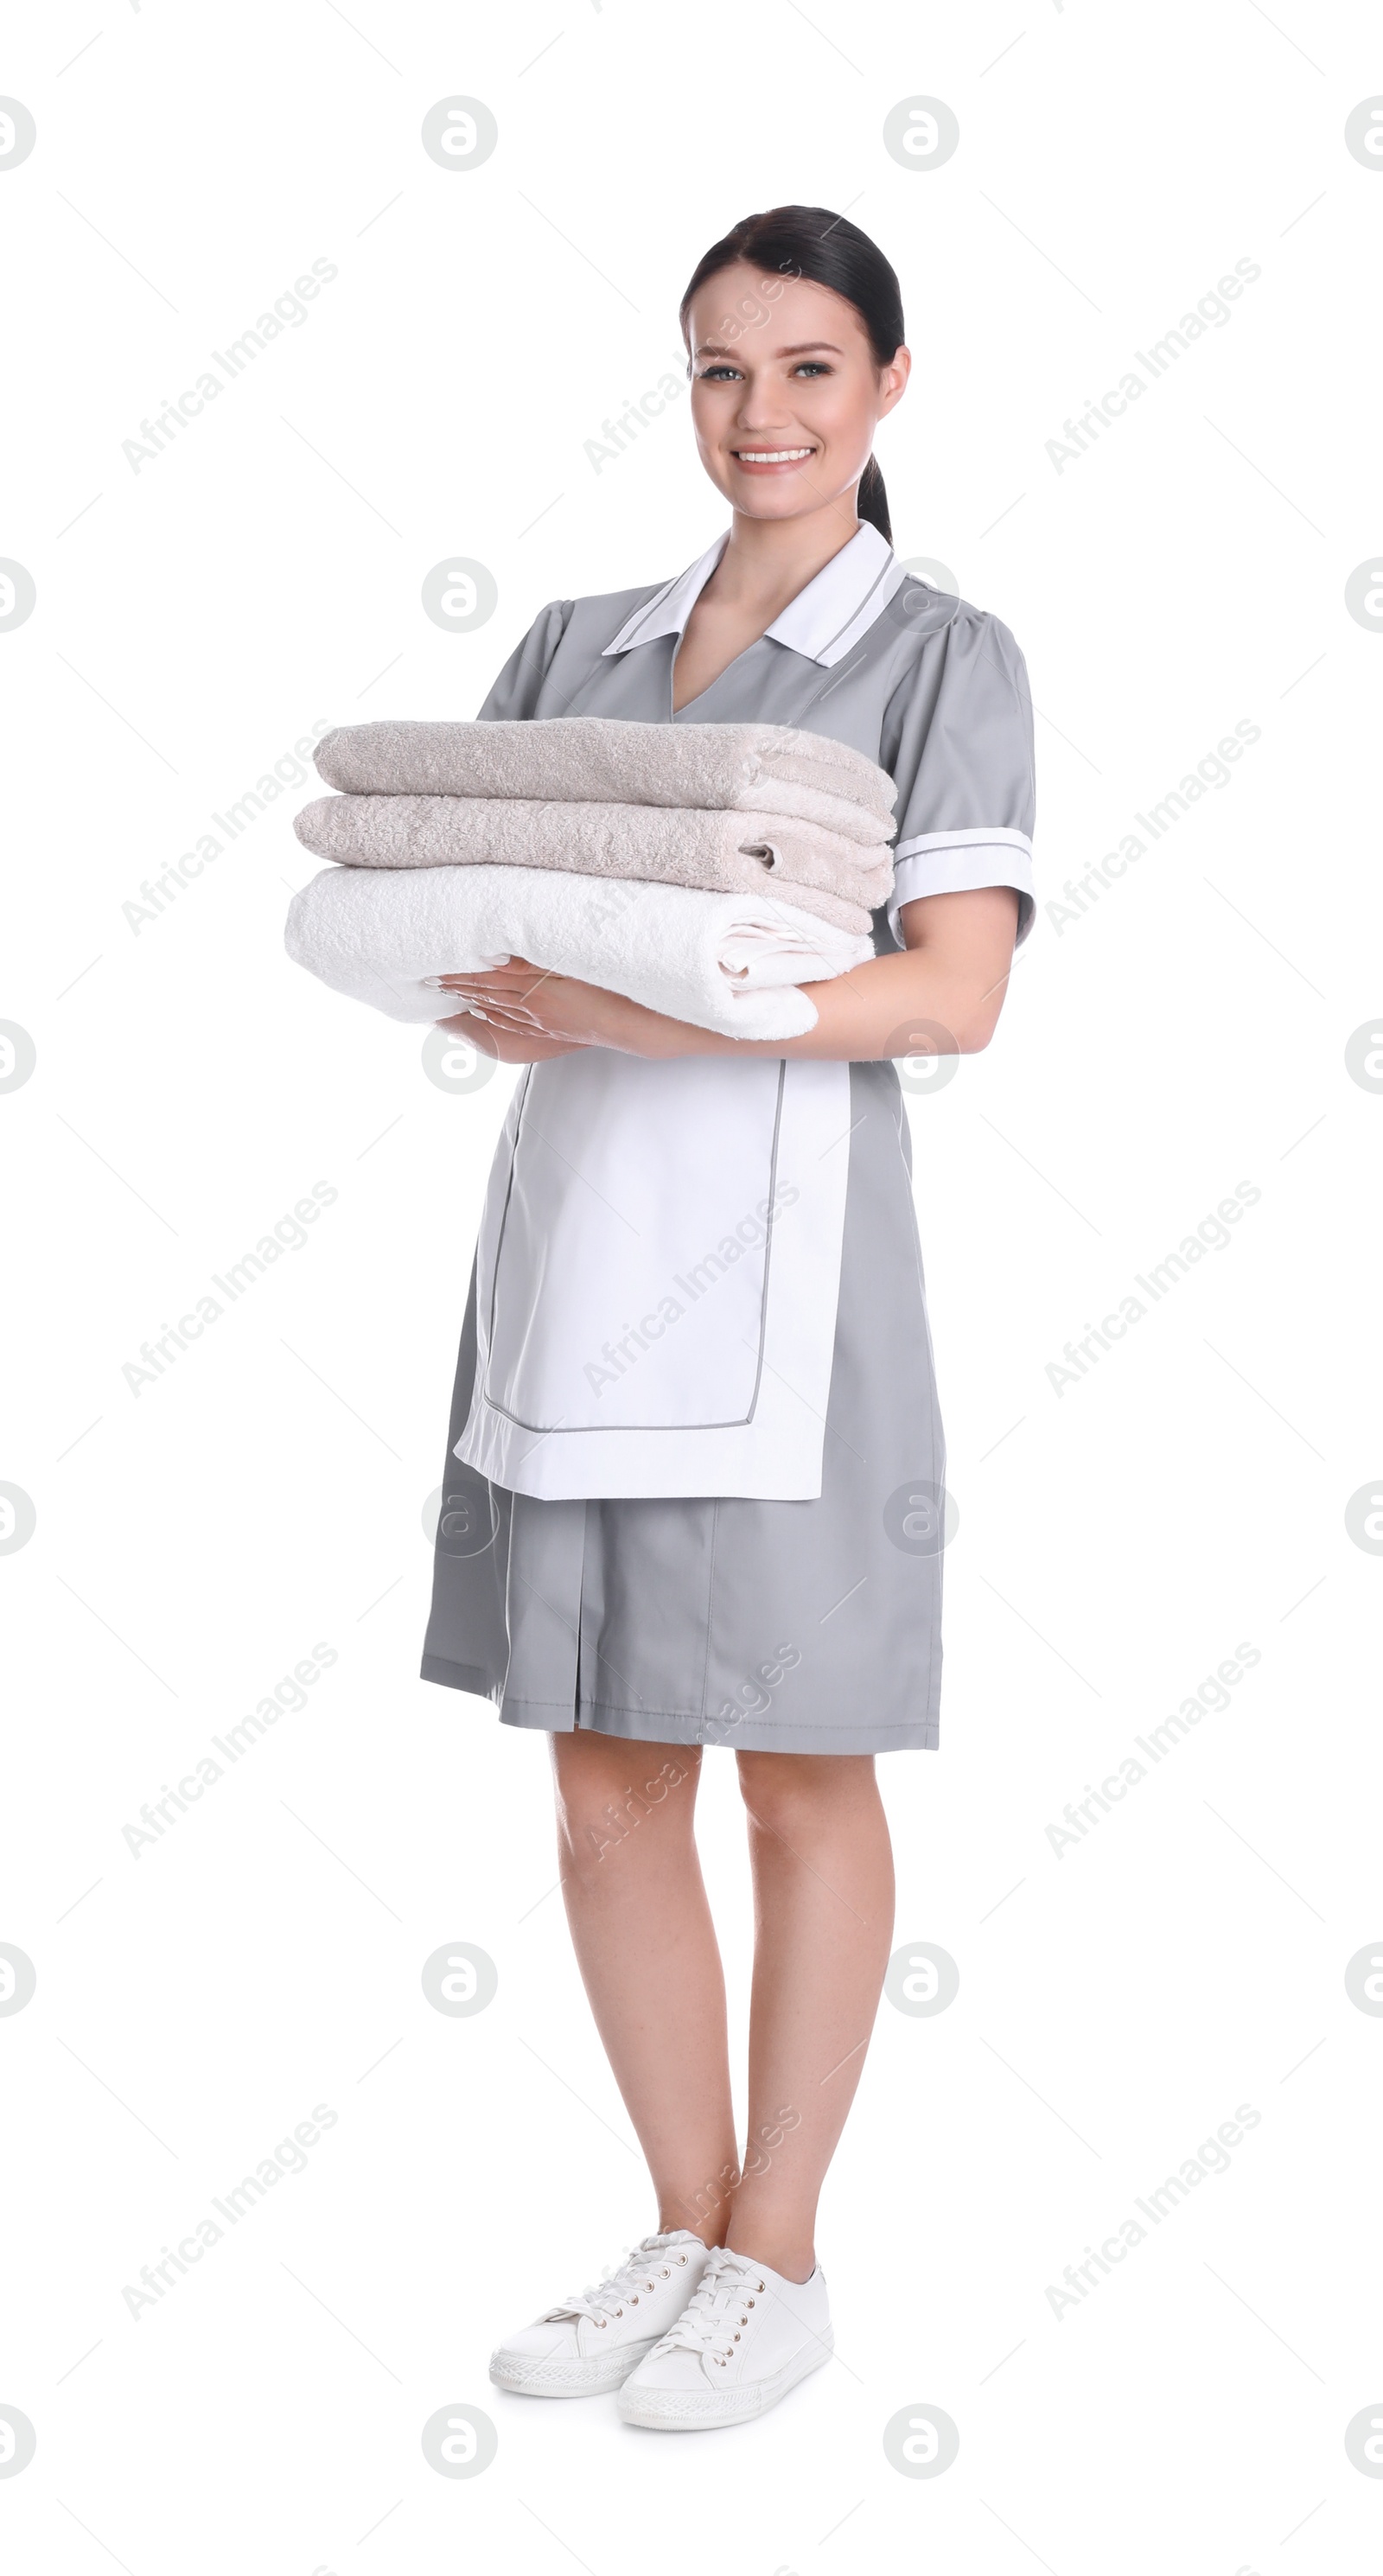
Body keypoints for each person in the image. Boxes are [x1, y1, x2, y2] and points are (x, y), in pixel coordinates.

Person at [421, 204, 1036, 2432]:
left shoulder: (937, 654)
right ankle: (685, 2230)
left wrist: (640, 1009)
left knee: (797, 1773)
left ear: (886, 387)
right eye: (716, 370)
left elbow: (951, 991)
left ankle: (784, 2250)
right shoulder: (577, 648)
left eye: (805, 369)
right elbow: (465, 911)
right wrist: (525, 1003)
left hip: (793, 1274)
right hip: (574, 1255)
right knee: (602, 1788)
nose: (758, 415)